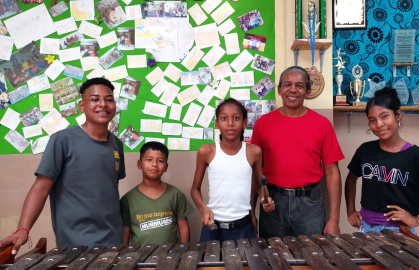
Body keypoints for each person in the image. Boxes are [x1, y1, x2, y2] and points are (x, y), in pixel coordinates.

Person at [0, 77, 125, 253]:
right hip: (76, 244)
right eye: (95, 99)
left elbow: (110, 189)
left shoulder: (117, 145)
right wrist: (23, 229)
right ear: (82, 106)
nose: (103, 104)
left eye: (109, 99)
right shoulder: (62, 140)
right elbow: (41, 188)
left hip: (114, 240)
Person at [345, 87, 419, 234]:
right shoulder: (365, 150)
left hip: (398, 232)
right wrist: (350, 210)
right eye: (372, 120)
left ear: (398, 115)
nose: (379, 124)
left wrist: (417, 220)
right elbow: (351, 180)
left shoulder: (415, 155)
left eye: (384, 116)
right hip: (365, 229)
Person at [251, 66, 344, 239]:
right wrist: (251, 212)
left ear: (308, 91)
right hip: (272, 202)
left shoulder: (322, 124)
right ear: (279, 90)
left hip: (311, 204)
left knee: (312, 258)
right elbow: (255, 172)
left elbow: (332, 172)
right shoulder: (262, 124)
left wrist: (334, 220)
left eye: (299, 86)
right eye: (287, 84)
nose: (293, 89)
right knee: (273, 258)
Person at [191, 98, 274, 244]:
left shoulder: (254, 151)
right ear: (217, 124)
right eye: (224, 118)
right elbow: (195, 190)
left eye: (236, 118)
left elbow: (260, 186)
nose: (230, 123)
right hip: (213, 227)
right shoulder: (206, 151)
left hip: (244, 227)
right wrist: (203, 208)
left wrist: (266, 199)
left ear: (244, 123)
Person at [121, 142, 194, 245]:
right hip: (140, 258)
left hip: (171, 256)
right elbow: (125, 232)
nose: (154, 164)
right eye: (149, 160)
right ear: (139, 164)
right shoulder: (127, 200)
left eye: (160, 161)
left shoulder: (175, 194)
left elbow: (183, 227)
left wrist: (184, 251)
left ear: (166, 167)